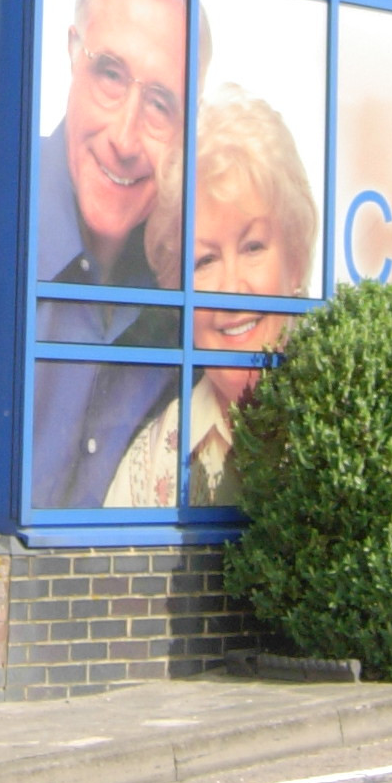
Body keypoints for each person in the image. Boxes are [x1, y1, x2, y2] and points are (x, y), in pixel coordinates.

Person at [27, 0, 196, 508]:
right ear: (73, 53)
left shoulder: (185, 286)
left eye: (159, 104)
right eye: (111, 75)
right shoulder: (6, 227)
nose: (125, 138)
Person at [103, 86, 317, 511]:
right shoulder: (149, 466)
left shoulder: (350, 424)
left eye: (253, 247)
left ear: (294, 261)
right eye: (205, 260)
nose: (231, 290)